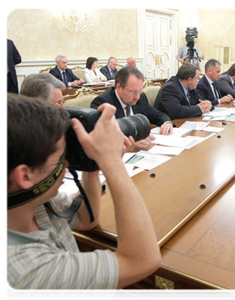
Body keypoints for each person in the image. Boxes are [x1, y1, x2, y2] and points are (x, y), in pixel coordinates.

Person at [5, 94, 161, 299]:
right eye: (60, 158)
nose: (67, 164)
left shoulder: (30, 202)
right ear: (25, 175)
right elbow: (143, 260)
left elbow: (87, 219)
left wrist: (91, 162)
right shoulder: (23, 272)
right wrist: (111, 161)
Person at [91, 67, 172, 149]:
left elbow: (155, 114)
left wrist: (166, 122)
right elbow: (101, 138)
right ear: (119, 87)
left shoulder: (141, 97)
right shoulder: (103, 103)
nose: (137, 97)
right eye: (132, 92)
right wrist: (130, 143)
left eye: (140, 91)